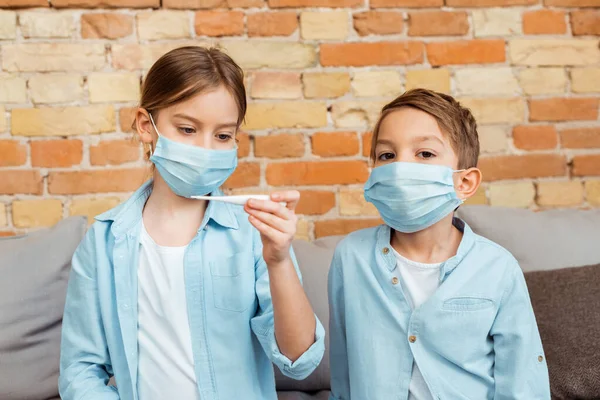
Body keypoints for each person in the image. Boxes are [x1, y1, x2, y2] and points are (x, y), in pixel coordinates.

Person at [59, 46, 324, 400]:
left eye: (223, 135)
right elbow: (80, 370)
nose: (206, 149)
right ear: (145, 126)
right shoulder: (104, 242)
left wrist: (279, 262)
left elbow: (299, 360)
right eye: (187, 129)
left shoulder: (252, 236)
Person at [328, 88, 550, 400]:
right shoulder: (350, 258)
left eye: (425, 154)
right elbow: (343, 367)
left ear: (465, 182)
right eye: (386, 155)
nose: (400, 167)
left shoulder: (498, 268)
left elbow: (522, 378)